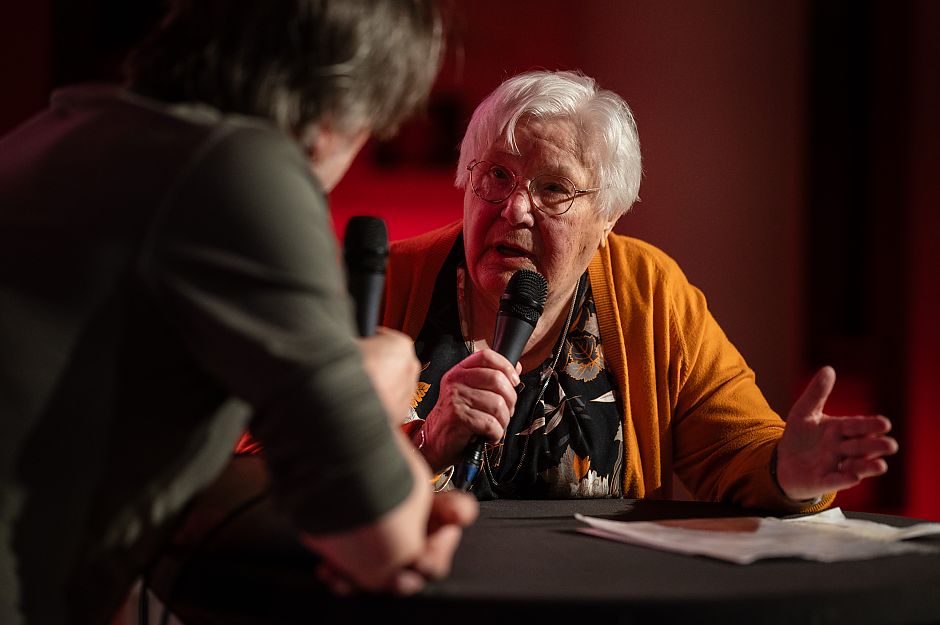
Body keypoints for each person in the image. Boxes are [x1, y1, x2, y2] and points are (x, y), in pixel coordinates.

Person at [0, 1, 478, 624]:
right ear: (338, 109)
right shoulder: (237, 170)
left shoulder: (55, 131)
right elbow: (379, 545)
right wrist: (378, 403)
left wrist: (364, 496)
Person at [384, 69, 898, 509]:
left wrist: (790, 469)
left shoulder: (648, 293)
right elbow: (314, 469)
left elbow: (734, 448)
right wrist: (426, 444)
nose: (514, 209)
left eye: (554, 188)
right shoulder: (388, 285)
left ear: (608, 218)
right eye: (497, 174)